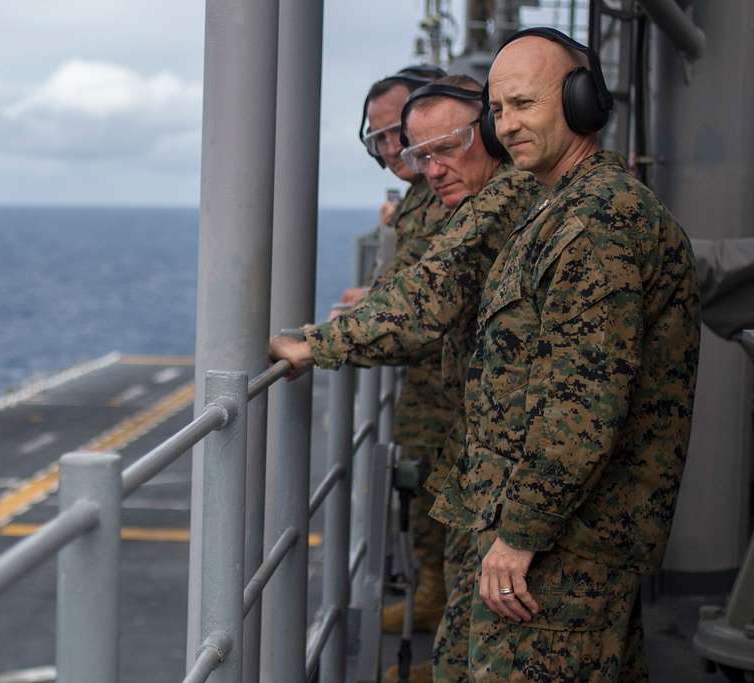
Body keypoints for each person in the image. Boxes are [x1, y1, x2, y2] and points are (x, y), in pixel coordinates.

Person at [424, 28, 701, 680]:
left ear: (578, 102)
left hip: (561, 551)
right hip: (574, 540)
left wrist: (519, 534)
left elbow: (584, 406)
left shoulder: (595, 223)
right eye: (496, 112)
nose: (507, 125)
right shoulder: (562, 208)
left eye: (523, 104)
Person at [269, 74, 544, 682]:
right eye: (411, 151)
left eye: (442, 148)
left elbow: (428, 298)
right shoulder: (504, 196)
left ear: (491, 135)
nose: (423, 166)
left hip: (521, 460)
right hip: (490, 436)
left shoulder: (509, 198)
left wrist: (315, 344)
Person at [351, 65, 457, 642]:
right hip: (431, 380)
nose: (392, 150)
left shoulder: (458, 194)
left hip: (455, 387)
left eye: (399, 133)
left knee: (448, 502)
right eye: (379, 139)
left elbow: (427, 304)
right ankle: (432, 599)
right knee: (422, 488)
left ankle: (444, 625)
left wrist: (323, 345)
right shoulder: (424, 195)